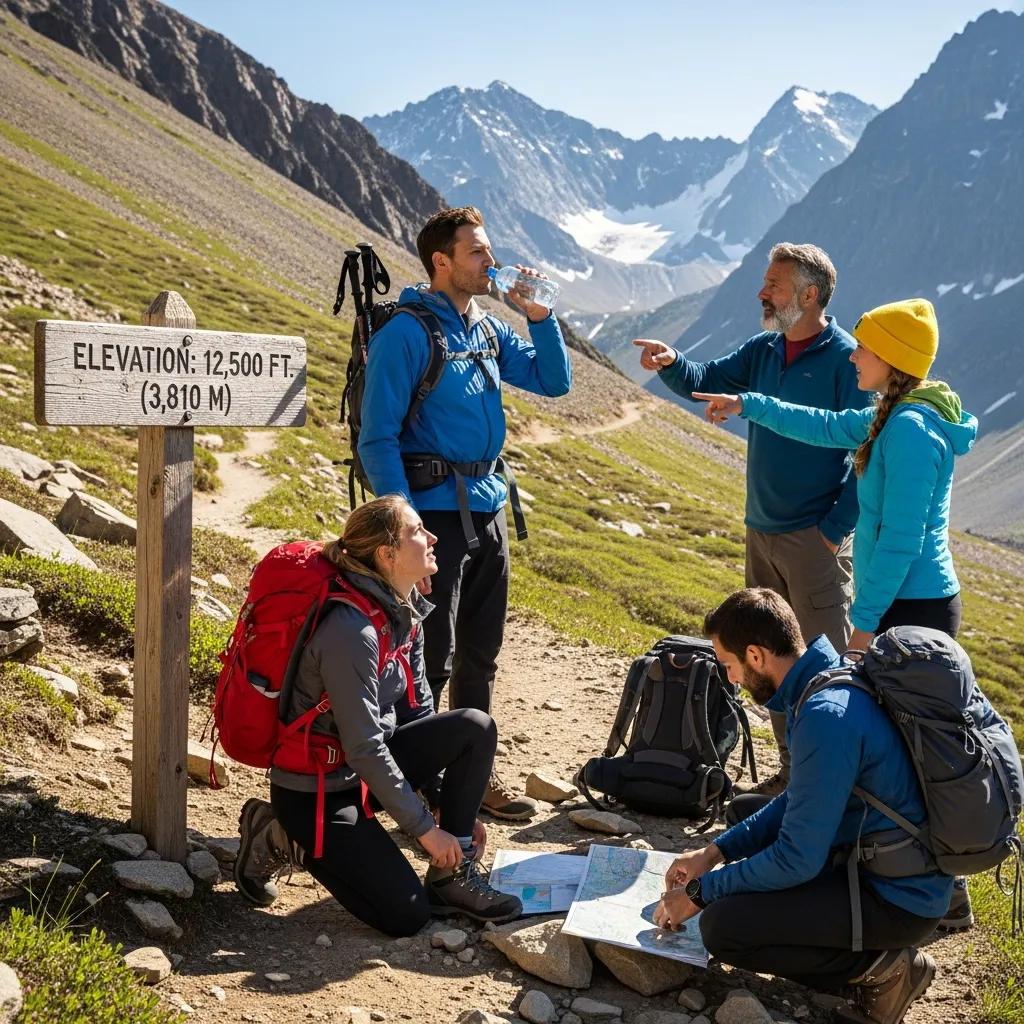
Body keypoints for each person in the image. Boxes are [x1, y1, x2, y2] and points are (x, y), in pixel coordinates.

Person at [357, 206, 572, 821]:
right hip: (431, 516)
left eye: (489, 249)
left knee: (481, 650)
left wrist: (540, 316)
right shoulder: (406, 332)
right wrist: (404, 531)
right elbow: (377, 439)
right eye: (477, 252)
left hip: (487, 508)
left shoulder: (484, 328)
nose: (491, 262)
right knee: (430, 651)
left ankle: (472, 774)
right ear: (441, 262)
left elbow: (553, 382)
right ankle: (417, 781)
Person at [634, 243, 870, 798]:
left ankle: (832, 781)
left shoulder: (846, 358)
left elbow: (867, 445)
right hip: (760, 531)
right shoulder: (764, 349)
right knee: (768, 660)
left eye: (774, 285)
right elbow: (706, 377)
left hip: (815, 539)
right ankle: (792, 772)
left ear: (809, 295)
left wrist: (836, 526)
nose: (762, 293)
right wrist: (671, 361)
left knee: (823, 662)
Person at [653, 588, 950, 1024]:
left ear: (755, 656)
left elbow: (797, 858)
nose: (731, 679)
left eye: (729, 666)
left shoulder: (824, 716)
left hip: (899, 899)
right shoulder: (825, 678)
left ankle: (885, 970)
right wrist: (712, 854)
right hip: (881, 862)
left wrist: (701, 893)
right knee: (744, 816)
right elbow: (798, 799)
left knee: (724, 929)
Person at [233, 495, 522, 936]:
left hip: (363, 772)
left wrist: (444, 806)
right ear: (387, 555)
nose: (432, 538)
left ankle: (452, 875)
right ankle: (278, 835)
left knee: (473, 727)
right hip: (319, 790)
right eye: (417, 531)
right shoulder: (353, 632)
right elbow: (365, 746)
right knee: (404, 915)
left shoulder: (406, 609)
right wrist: (426, 831)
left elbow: (417, 715)